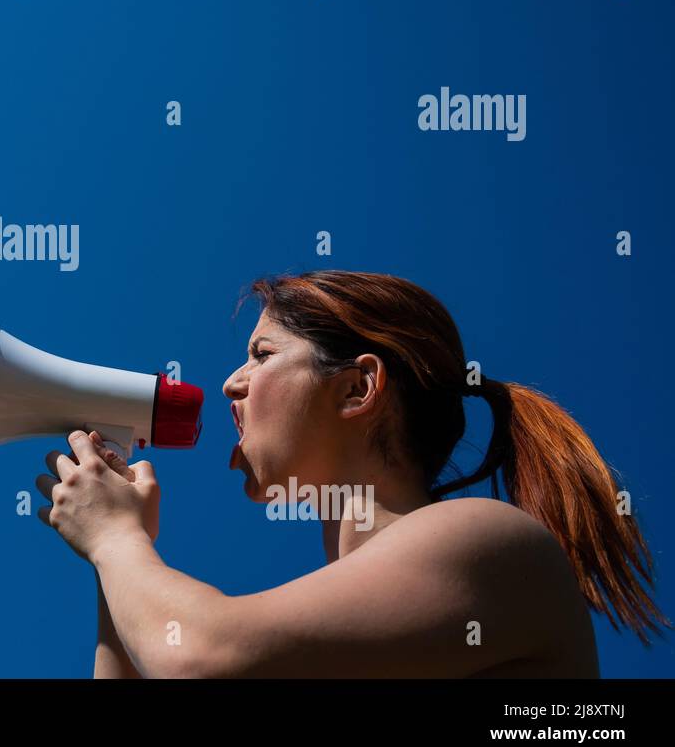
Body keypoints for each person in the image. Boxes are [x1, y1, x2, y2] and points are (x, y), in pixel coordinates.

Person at [35, 270, 669, 677]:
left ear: (357, 388)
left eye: (262, 355)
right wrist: (112, 558)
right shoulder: (332, 642)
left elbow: (201, 656)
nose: (231, 382)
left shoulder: (489, 542)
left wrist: (120, 543)